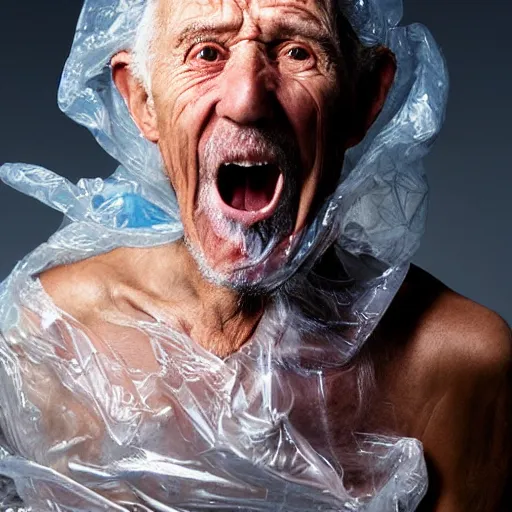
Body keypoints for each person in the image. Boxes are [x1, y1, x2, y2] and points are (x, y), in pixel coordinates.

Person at [0, 0, 509, 511]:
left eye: (296, 52)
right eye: (206, 53)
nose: (247, 100)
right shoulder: (48, 335)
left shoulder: (455, 366)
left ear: (362, 98)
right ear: (142, 99)